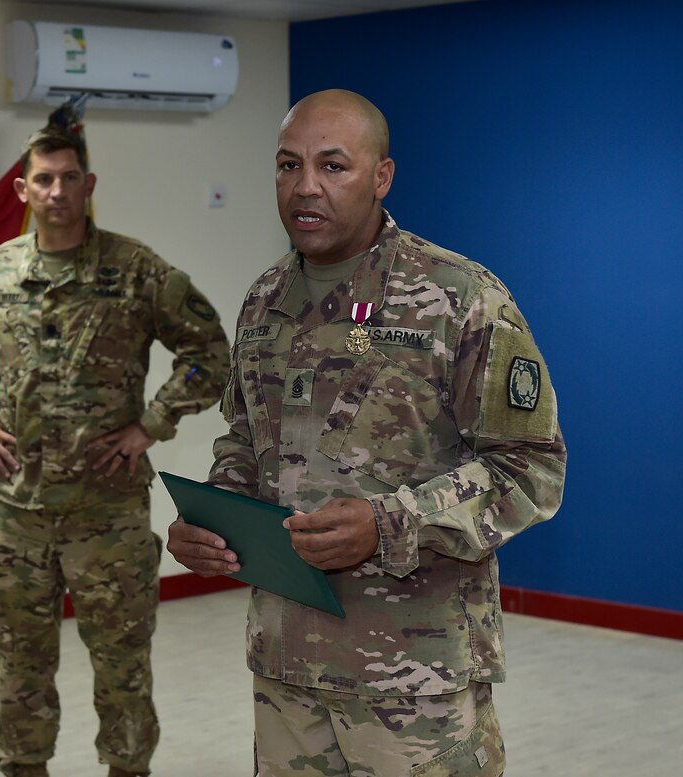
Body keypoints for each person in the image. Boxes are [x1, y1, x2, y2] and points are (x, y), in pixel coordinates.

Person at [167, 90, 567, 777]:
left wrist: (390, 523)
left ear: (381, 177)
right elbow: (245, 438)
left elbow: (530, 469)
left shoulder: (460, 297)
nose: (306, 187)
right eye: (288, 166)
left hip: (415, 679)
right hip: (287, 663)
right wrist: (212, 515)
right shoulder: (265, 301)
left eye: (333, 166)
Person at [0, 125, 231, 777]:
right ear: (23, 189)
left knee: (123, 669)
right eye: (44, 179)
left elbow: (210, 353)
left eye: (70, 177)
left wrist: (151, 422)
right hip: (19, 517)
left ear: (89, 186)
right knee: (21, 669)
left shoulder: (135, 268)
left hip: (108, 516)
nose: (57, 190)